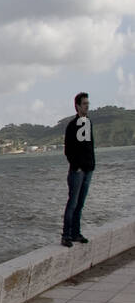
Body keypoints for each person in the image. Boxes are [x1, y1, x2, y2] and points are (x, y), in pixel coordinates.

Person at [62, 92, 95, 247]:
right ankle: (66, 236)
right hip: (77, 171)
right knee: (73, 203)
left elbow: (89, 147)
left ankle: (76, 233)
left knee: (80, 204)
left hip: (88, 170)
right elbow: (68, 150)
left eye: (88, 103)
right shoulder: (72, 125)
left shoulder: (87, 123)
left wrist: (91, 165)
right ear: (77, 106)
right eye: (84, 104)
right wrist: (77, 167)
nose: (87, 106)